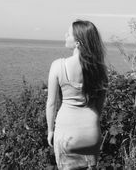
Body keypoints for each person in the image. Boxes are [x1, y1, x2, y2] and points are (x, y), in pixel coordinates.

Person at [46, 20, 108, 169]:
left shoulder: (58, 65)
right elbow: (99, 107)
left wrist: (50, 130)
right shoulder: (100, 70)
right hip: (91, 133)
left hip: (67, 133)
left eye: (69, 34)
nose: (65, 35)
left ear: (77, 43)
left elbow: (51, 103)